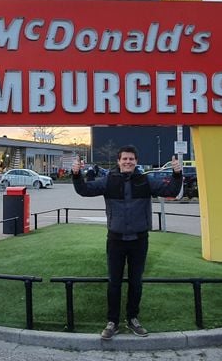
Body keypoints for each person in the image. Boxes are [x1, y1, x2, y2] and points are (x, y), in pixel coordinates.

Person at [71, 145, 182, 340]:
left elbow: (171, 189)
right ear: (119, 161)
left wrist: (177, 173)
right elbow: (84, 190)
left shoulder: (145, 180)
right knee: (114, 282)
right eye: (125, 159)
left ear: (136, 162)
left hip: (139, 240)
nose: (128, 162)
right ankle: (112, 322)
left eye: (131, 159)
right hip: (115, 240)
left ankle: (132, 318)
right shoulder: (108, 181)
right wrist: (77, 174)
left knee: (136, 282)